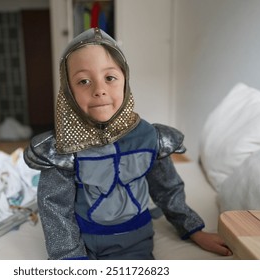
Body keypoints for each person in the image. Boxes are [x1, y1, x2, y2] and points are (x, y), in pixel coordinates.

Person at [24, 27, 232, 260]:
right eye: (83, 81)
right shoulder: (63, 147)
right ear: (68, 91)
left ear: (125, 81)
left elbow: (167, 189)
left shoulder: (150, 138)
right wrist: (70, 257)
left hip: (136, 240)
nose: (99, 90)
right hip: (82, 241)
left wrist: (193, 229)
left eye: (110, 78)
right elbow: (54, 207)